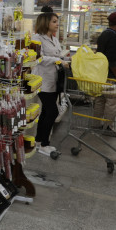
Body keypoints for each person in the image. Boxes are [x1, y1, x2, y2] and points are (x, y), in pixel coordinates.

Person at [32, 12, 69, 155]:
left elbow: (56, 54)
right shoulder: (37, 38)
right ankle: (44, 144)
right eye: (54, 21)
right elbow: (38, 58)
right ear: (45, 22)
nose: (57, 24)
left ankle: (39, 141)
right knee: (52, 111)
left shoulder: (53, 38)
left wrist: (62, 59)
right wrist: (57, 60)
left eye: (57, 21)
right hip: (42, 80)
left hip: (53, 79)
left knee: (47, 112)